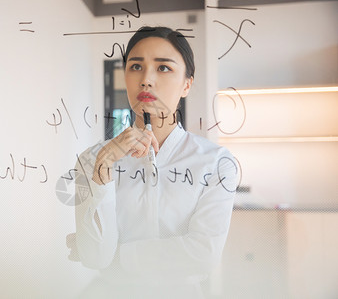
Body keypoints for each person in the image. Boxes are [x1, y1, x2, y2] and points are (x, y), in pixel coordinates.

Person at [68, 26, 238, 298]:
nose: (146, 79)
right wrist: (103, 169)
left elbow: (204, 254)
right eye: (136, 66)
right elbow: (95, 258)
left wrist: (118, 257)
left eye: (163, 68)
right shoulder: (93, 159)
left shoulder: (217, 163)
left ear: (187, 84)